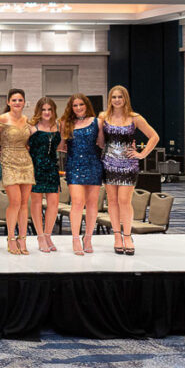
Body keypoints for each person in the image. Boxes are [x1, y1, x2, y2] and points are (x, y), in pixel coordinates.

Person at [98, 85, 159, 256]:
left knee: (124, 200)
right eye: (114, 97)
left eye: (120, 97)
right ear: (110, 99)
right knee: (112, 201)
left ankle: (127, 236)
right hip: (109, 163)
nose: (117, 100)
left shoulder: (135, 118)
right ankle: (116, 236)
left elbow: (154, 136)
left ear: (125, 99)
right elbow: (101, 143)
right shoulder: (104, 116)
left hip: (128, 165)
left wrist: (142, 154)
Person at [59, 94, 104, 256]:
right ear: (71, 108)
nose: (78, 108)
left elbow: (102, 143)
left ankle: (88, 238)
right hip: (74, 166)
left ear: (87, 105)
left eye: (81, 105)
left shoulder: (97, 122)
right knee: (77, 202)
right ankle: (75, 238)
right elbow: (61, 146)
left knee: (92, 204)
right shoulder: (66, 123)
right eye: (75, 105)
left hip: (93, 165)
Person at [0, 89, 36, 255]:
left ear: (24, 102)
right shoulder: (2, 119)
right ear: (8, 102)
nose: (17, 103)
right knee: (15, 201)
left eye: (20, 100)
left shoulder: (28, 120)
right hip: (8, 160)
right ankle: (11, 237)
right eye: (14, 100)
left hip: (25, 161)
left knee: (23, 203)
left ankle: (23, 238)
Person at [28, 97, 61, 253]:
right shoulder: (32, 128)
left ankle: (48, 234)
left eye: (49, 109)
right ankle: (40, 236)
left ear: (53, 111)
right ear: (39, 111)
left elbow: (62, 147)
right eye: (43, 110)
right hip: (36, 168)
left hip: (52, 168)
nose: (46, 112)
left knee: (53, 204)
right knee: (36, 203)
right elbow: (25, 147)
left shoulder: (58, 127)